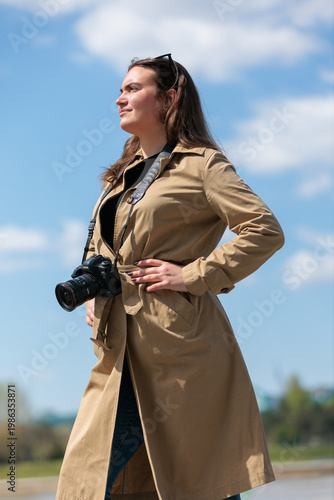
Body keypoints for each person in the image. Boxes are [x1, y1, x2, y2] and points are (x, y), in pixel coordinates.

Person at [55, 54, 284, 500]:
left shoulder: (202, 165)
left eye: (132, 88)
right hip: (116, 346)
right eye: (121, 89)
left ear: (168, 98)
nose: (119, 98)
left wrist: (195, 274)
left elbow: (264, 230)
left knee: (197, 477)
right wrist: (91, 291)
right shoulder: (120, 176)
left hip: (179, 349)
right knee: (90, 478)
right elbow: (103, 244)